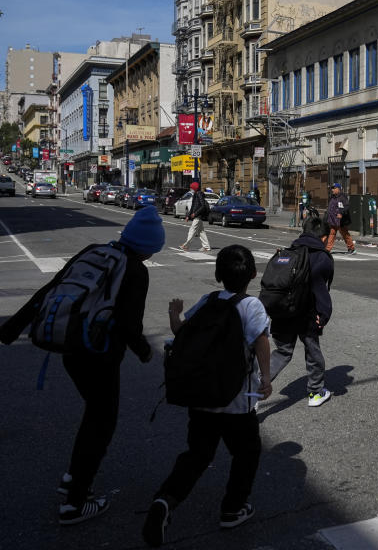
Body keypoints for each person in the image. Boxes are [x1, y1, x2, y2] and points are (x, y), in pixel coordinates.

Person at [0, 206, 164, 525]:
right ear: (148, 247)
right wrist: (145, 353)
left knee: (94, 417)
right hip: (99, 355)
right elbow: (130, 324)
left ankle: (74, 477)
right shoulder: (135, 269)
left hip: (72, 349)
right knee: (101, 423)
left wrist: (10, 328)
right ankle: (75, 502)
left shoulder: (94, 251)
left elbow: (50, 289)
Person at [142, 245, 272, 546]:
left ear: (218, 275)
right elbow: (261, 343)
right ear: (253, 274)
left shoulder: (209, 300)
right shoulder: (251, 306)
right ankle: (232, 508)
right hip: (237, 401)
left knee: (197, 455)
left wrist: (174, 314)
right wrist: (265, 379)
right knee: (246, 453)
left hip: (202, 398)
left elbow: (183, 334)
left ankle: (165, 500)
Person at [268, 216, 335, 407]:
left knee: (282, 352)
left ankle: (255, 389)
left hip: (282, 311)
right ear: (323, 238)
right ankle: (315, 392)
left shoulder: (288, 252)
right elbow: (321, 291)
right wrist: (323, 315)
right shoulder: (322, 258)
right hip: (307, 314)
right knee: (313, 352)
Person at [324, 182, 355, 254]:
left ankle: (351, 248)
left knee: (345, 234)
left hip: (341, 220)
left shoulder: (342, 197)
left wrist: (341, 213)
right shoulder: (332, 197)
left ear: (338, 189)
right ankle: (328, 249)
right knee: (332, 234)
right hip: (333, 220)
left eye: (334, 188)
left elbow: (347, 206)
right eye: (332, 188)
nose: (332, 190)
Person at [179, 182, 211, 252]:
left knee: (192, 230)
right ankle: (206, 247)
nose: (190, 189)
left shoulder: (199, 194)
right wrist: (188, 216)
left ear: (194, 188)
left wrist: (195, 214)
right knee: (201, 232)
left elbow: (202, 206)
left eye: (191, 188)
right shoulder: (195, 195)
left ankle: (186, 246)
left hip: (198, 216)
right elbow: (193, 207)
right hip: (197, 216)